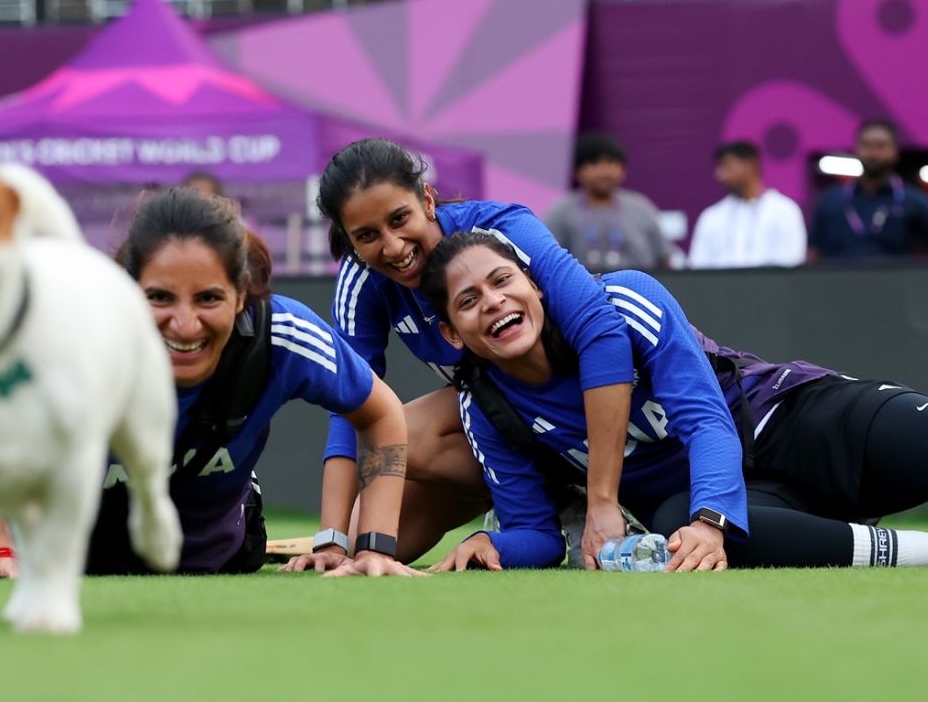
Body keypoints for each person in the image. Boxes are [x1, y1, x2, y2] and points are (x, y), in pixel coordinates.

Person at [418, 230, 928, 571]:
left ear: (535, 285)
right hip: (750, 506)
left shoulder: (624, 302)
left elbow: (705, 418)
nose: (493, 302)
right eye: (467, 301)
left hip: (797, 420)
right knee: (680, 530)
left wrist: (711, 517)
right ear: (450, 333)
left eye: (502, 282)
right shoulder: (487, 408)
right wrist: (489, 542)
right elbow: (538, 533)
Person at [0, 188, 421, 578]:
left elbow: (380, 413)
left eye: (208, 299)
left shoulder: (283, 336)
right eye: (160, 298)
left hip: (207, 557)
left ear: (241, 291)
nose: (185, 326)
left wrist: (372, 546)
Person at [282, 137, 637, 571]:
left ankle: (591, 497)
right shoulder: (362, 284)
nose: (393, 247)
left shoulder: (501, 231)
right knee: (364, 534)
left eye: (399, 219)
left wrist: (604, 500)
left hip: (597, 409)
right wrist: (331, 540)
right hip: (509, 423)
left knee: (402, 432)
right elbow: (349, 402)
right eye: (368, 236)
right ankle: (541, 505)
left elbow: (602, 333)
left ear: (427, 199)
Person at [808, 119, 928, 261]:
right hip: (836, 289)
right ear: (856, 149)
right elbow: (811, 252)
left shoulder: (912, 200)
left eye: (881, 146)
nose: (873, 153)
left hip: (895, 290)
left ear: (894, 151)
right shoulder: (830, 200)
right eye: (867, 145)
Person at [543, 132, 675, 272]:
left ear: (623, 170)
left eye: (611, 163)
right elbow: (547, 261)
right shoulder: (560, 212)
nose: (604, 171)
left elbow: (664, 259)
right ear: (577, 171)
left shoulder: (642, 208)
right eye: (594, 163)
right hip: (580, 291)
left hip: (638, 290)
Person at [688, 140, 806, 269]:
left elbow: (790, 264)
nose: (719, 175)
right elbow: (698, 267)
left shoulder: (786, 211)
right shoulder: (711, 216)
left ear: (750, 165)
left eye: (727, 166)